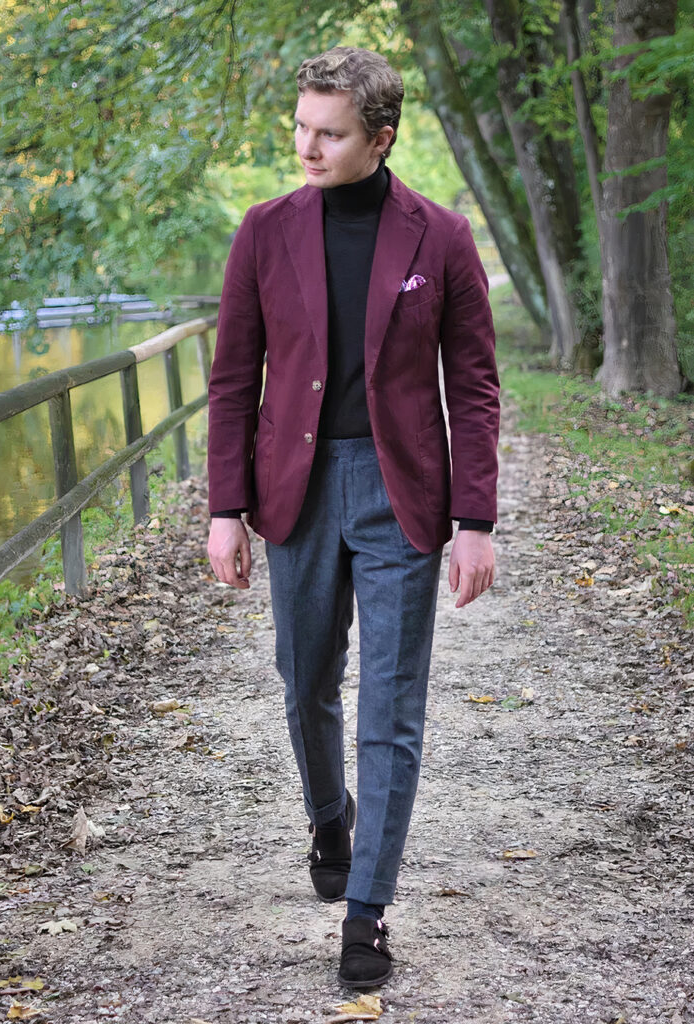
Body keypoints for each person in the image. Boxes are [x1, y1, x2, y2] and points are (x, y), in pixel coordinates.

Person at [207, 46, 499, 990]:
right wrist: (224, 510)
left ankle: (368, 910)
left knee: (391, 707)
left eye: (327, 133)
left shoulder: (442, 237)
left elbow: (476, 388)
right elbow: (229, 382)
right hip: (291, 492)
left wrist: (475, 520)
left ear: (378, 138)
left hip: (399, 491)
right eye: (299, 126)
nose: (306, 146)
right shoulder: (263, 231)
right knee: (304, 683)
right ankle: (326, 813)